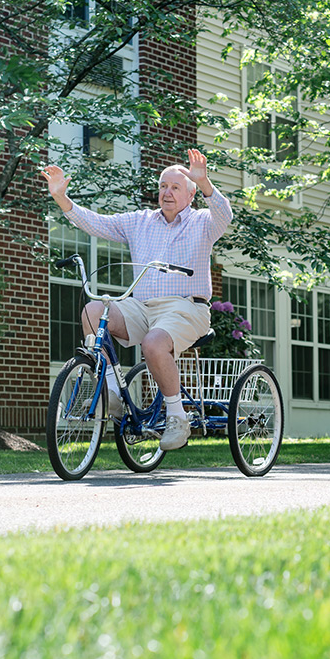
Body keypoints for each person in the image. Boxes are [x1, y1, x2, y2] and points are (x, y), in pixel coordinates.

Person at [41, 148, 232, 451]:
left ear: (190, 194)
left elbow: (225, 214)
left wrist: (205, 182)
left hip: (185, 307)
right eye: (163, 186)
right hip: (140, 306)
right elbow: (97, 223)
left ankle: (176, 416)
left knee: (154, 344)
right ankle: (113, 394)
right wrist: (62, 199)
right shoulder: (140, 221)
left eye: (175, 187)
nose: (167, 193)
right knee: (93, 312)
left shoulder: (203, 223)